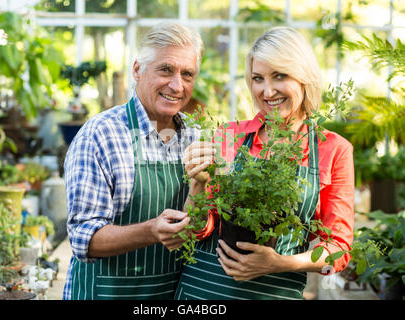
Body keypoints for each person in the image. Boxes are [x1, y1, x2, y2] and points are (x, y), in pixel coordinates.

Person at [176, 26, 354, 300]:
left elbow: (339, 248)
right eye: (258, 78)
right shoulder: (229, 135)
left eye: (279, 76)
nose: (267, 91)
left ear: (304, 77)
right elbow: (198, 230)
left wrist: (279, 263)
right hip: (204, 292)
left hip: (275, 292)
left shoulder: (334, 149)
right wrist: (197, 188)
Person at [62, 22, 203, 300]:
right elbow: (82, 238)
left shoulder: (196, 138)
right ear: (137, 70)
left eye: (187, 74)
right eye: (166, 70)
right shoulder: (101, 134)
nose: (177, 85)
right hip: (105, 294)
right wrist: (152, 230)